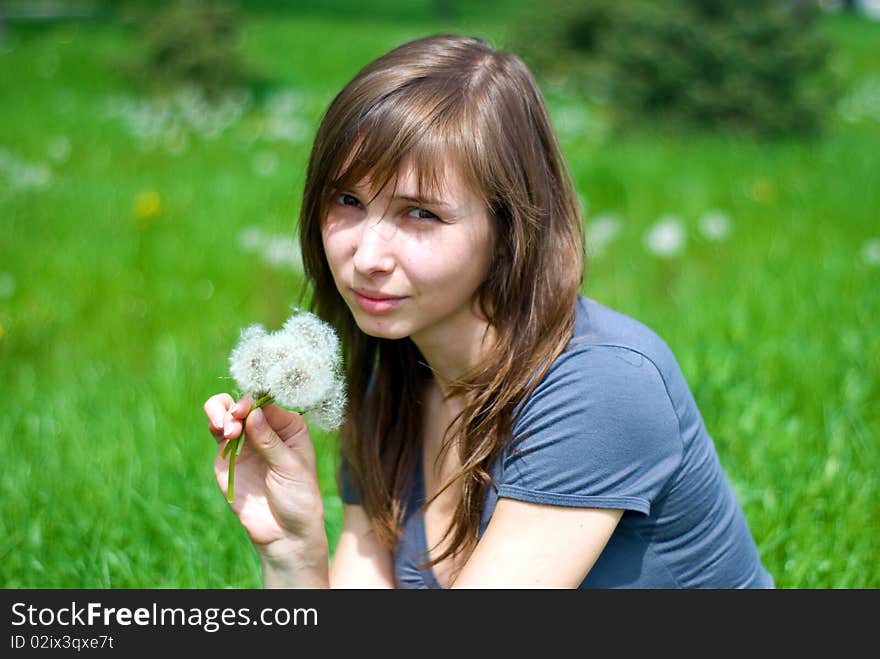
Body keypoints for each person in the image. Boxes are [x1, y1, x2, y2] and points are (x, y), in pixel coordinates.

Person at [203, 34, 775, 589]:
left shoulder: (600, 389)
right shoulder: (390, 383)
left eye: (420, 214)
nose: (366, 256)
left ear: (507, 230)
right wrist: (293, 549)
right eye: (347, 201)